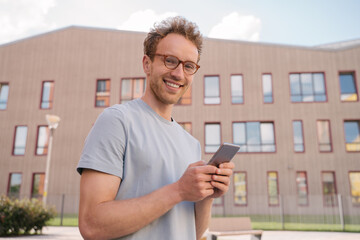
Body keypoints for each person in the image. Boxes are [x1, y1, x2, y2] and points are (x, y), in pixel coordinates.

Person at [77, 16, 234, 240]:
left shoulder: (191, 144)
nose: (179, 74)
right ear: (147, 64)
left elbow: (192, 233)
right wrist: (178, 190)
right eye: (170, 60)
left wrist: (207, 194)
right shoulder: (117, 121)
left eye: (189, 66)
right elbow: (92, 225)